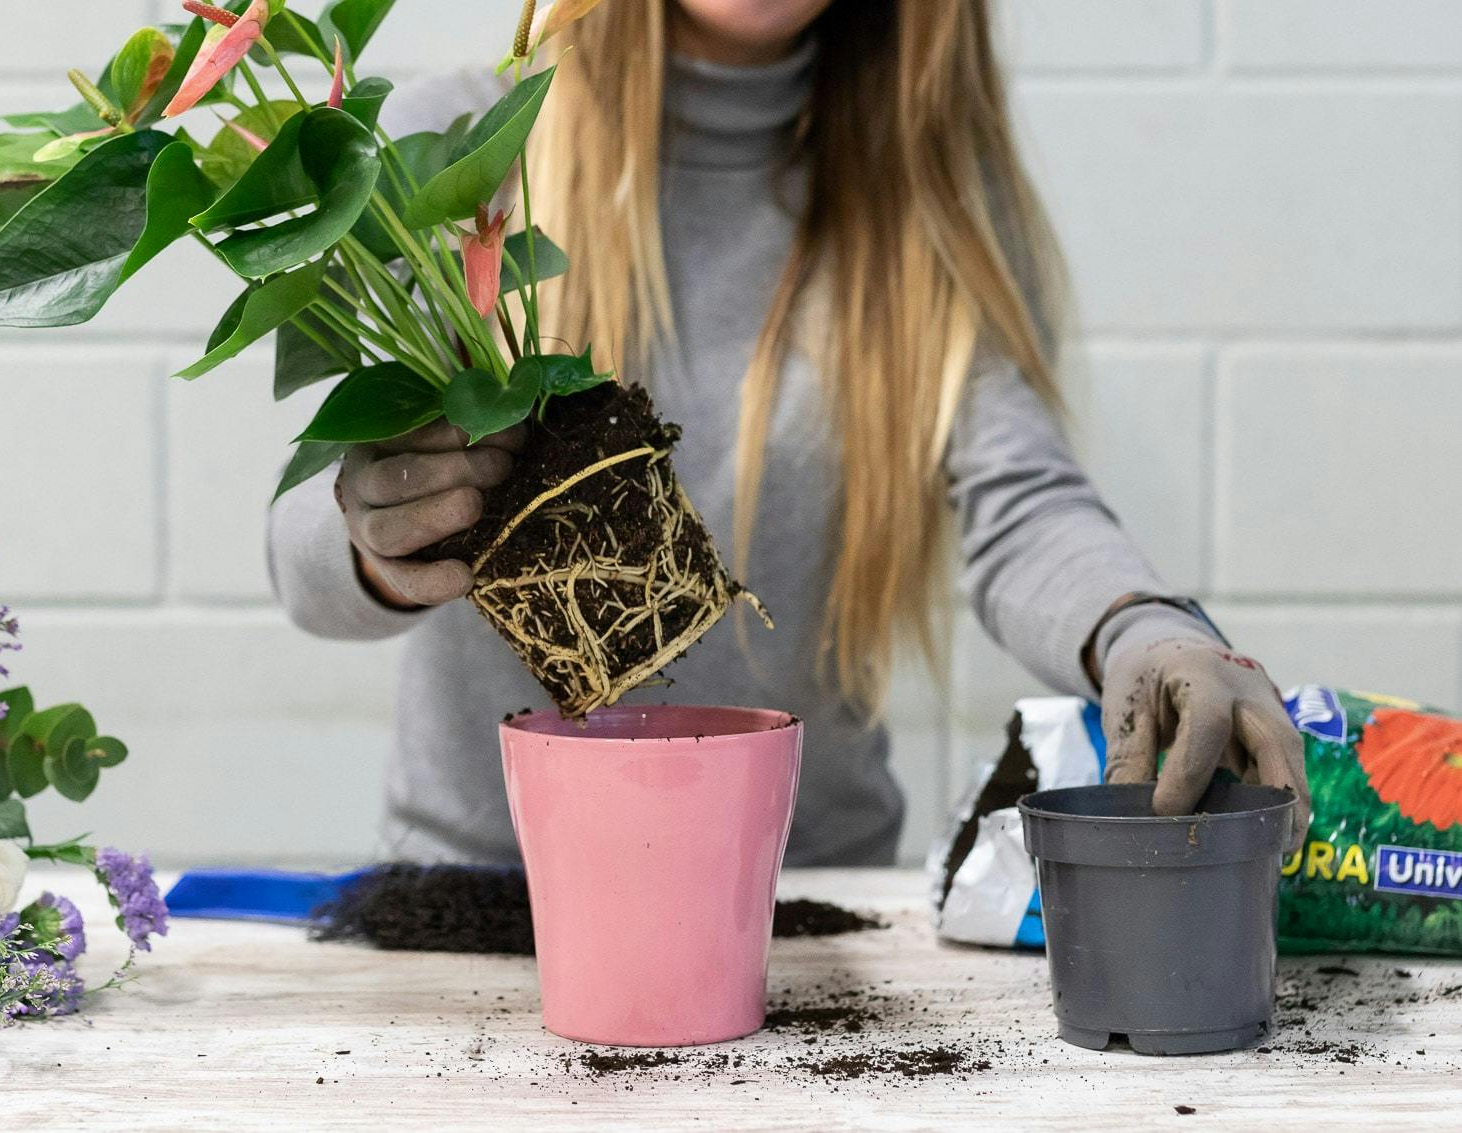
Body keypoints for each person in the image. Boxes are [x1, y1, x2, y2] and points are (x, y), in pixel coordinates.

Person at [268, 0, 1310, 865]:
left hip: (801, 907)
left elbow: (1022, 505)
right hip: (488, 898)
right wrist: (379, 542)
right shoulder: (451, 152)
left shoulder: (929, 205)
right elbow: (300, 559)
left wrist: (1146, 631)